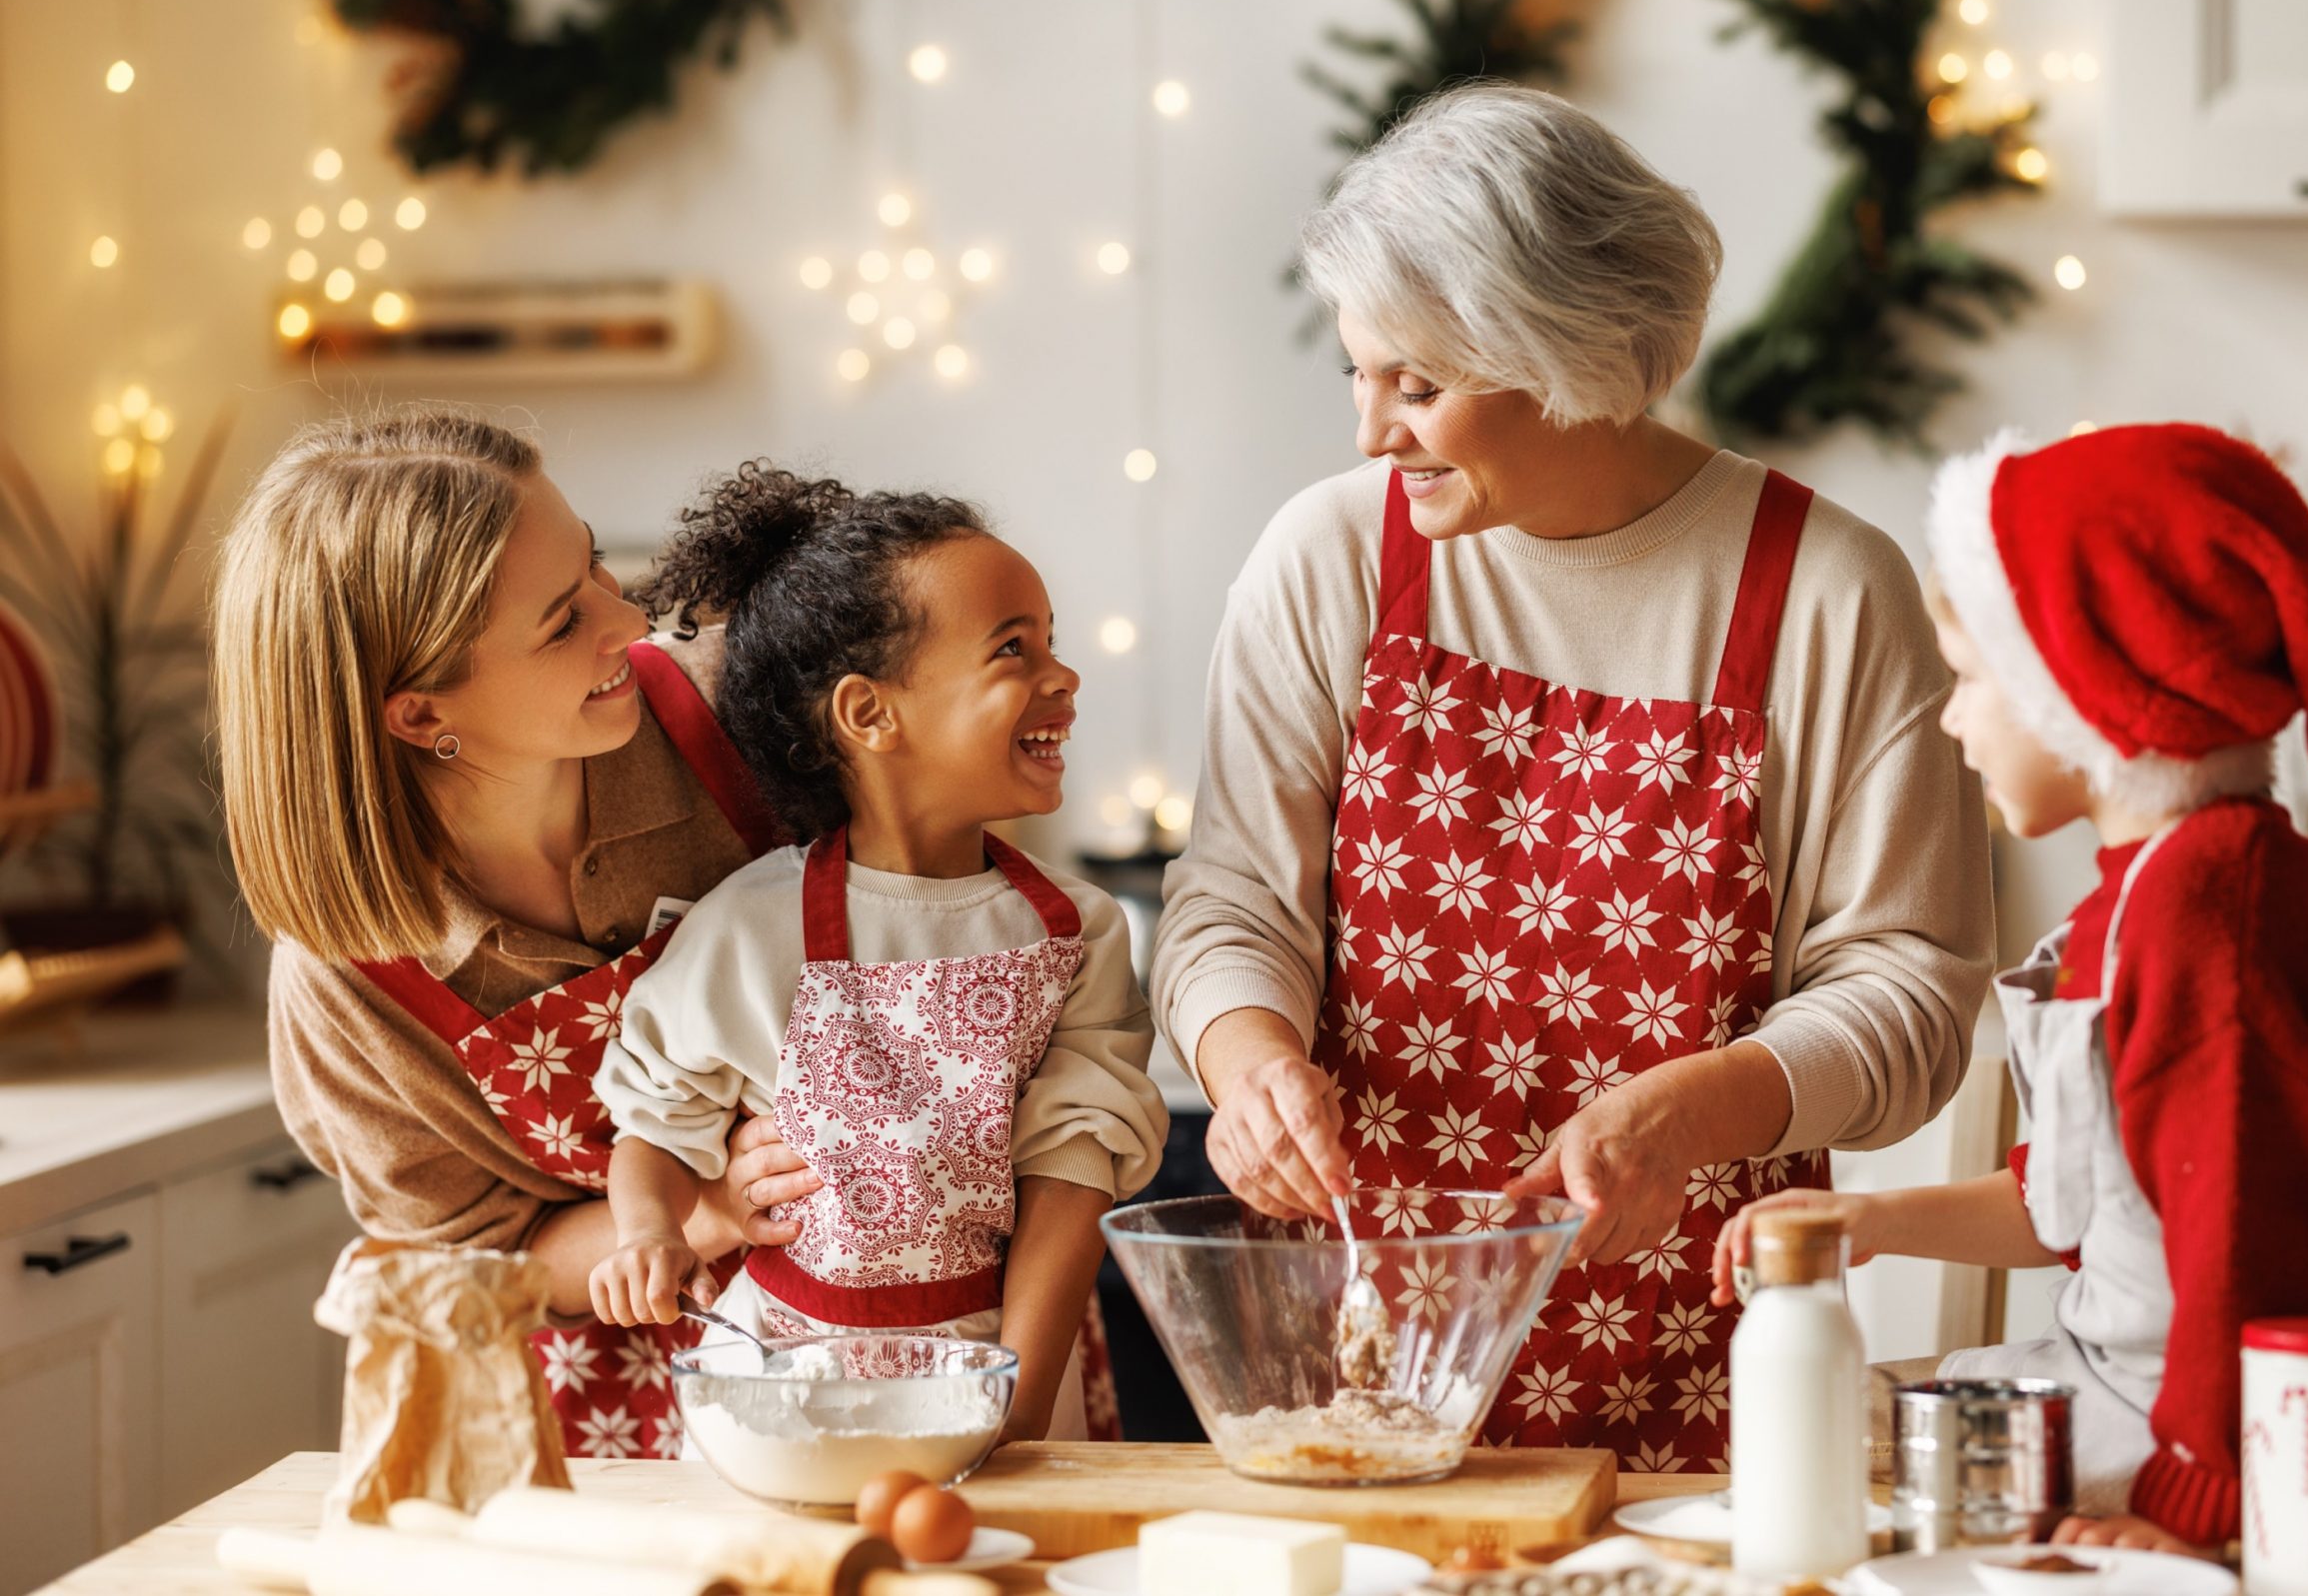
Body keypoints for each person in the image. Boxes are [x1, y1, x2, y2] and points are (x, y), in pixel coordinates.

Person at [1151, 82, 1995, 1469]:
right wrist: (1246, 1064)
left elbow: (1910, 990)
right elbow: (1234, 896)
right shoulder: (1333, 557)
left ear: (1565, 354)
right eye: (1357, 373)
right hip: (1354, 1359)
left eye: (1418, 385)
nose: (1373, 431)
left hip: (1707, 1370)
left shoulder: (1831, 590)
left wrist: (1699, 1106)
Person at [1715, 424, 2308, 1552]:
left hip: (2225, 1448)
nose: (1951, 721)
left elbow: (2250, 1247)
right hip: (2144, 1407)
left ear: (2081, 686)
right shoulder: (2143, 895)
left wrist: (2191, 1513)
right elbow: (2100, 1217)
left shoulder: (2213, 916)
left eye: (1967, 680)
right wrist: (1876, 1221)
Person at [215, 410, 819, 1458]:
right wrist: (704, 1208)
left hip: (906, 1333)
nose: (626, 620)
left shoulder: (737, 711)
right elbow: (479, 1264)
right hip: (611, 1412)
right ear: (416, 715)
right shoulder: (349, 980)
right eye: (558, 623)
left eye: (593, 567)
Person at [585, 467, 1167, 1442]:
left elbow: (1070, 1183)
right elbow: (654, 1122)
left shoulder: (1074, 932)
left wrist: (1014, 1412)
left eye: (1051, 644)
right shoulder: (748, 927)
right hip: (780, 1382)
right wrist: (648, 1235)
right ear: (867, 714)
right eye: (1012, 651)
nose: (1060, 678)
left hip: (999, 1366)